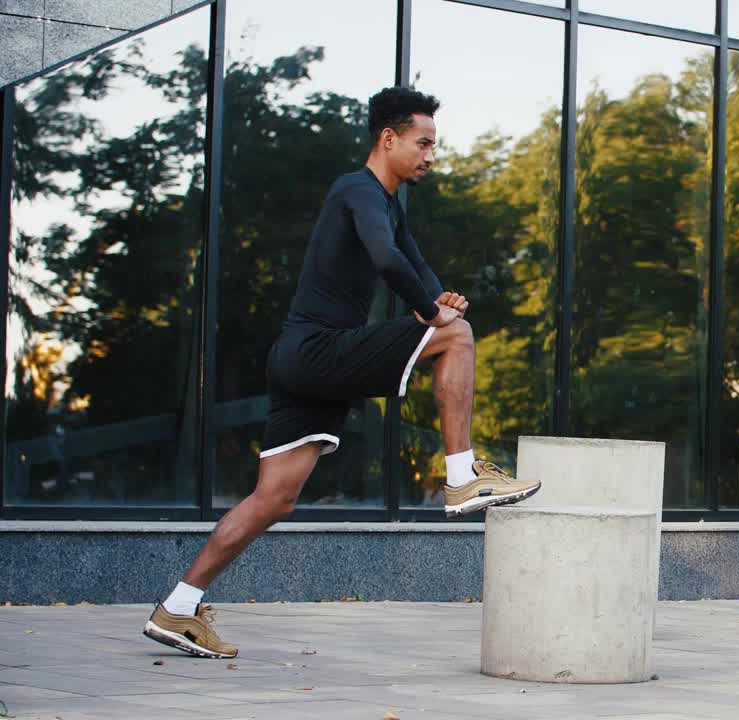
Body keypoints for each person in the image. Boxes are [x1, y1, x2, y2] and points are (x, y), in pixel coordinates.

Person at [142, 87, 540, 659]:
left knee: (273, 500)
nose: (431, 155)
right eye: (423, 143)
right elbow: (385, 260)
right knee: (455, 336)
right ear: (389, 138)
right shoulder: (357, 189)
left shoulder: (389, 204)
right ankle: (461, 475)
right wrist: (437, 317)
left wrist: (437, 300)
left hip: (301, 359)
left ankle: (176, 607)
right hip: (318, 350)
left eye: (434, 145)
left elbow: (414, 266)